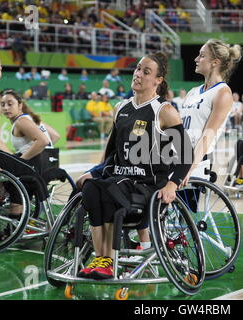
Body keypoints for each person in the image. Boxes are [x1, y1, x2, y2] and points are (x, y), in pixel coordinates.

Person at [77, 52, 193, 280]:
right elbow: (111, 154)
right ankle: (101, 258)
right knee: (90, 188)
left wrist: (172, 184)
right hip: (119, 180)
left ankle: (108, 260)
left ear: (158, 80)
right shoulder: (120, 107)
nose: (138, 74)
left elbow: (186, 156)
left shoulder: (164, 111)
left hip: (146, 187)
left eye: (146, 72)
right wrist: (93, 172)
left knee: (109, 190)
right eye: (138, 69)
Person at [0, 55, 49, 239]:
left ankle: (14, 228)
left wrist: (12, 160)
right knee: (30, 176)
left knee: (22, 176)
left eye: (0, 67)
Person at [178, 39, 242, 185]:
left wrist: (188, 168)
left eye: (201, 55)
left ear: (215, 62)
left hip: (196, 160)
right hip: (176, 155)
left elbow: (208, 135)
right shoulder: (192, 92)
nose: (196, 59)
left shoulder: (222, 93)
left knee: (182, 207)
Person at [1, 90, 60, 217]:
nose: (6, 107)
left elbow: (43, 141)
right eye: (3, 104)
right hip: (50, 163)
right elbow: (54, 136)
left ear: (20, 105)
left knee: (8, 167)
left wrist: (22, 160)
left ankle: (15, 219)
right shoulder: (32, 119)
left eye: (10, 104)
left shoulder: (21, 122)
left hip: (37, 164)